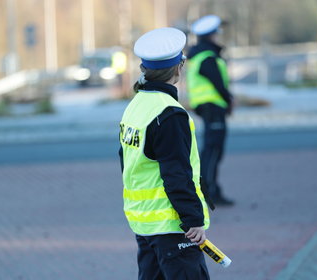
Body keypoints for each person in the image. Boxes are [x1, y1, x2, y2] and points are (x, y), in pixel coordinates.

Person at [118, 27, 211, 280]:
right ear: (179, 68)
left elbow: (126, 162)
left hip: (144, 223)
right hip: (172, 225)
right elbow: (176, 173)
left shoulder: (136, 106)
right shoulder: (169, 113)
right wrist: (193, 219)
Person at [186, 15, 235, 206]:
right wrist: (228, 99)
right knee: (212, 150)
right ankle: (208, 191)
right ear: (211, 35)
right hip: (212, 106)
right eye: (216, 33)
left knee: (212, 150)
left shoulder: (200, 54)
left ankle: (211, 188)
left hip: (208, 106)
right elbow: (218, 84)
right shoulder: (207, 57)